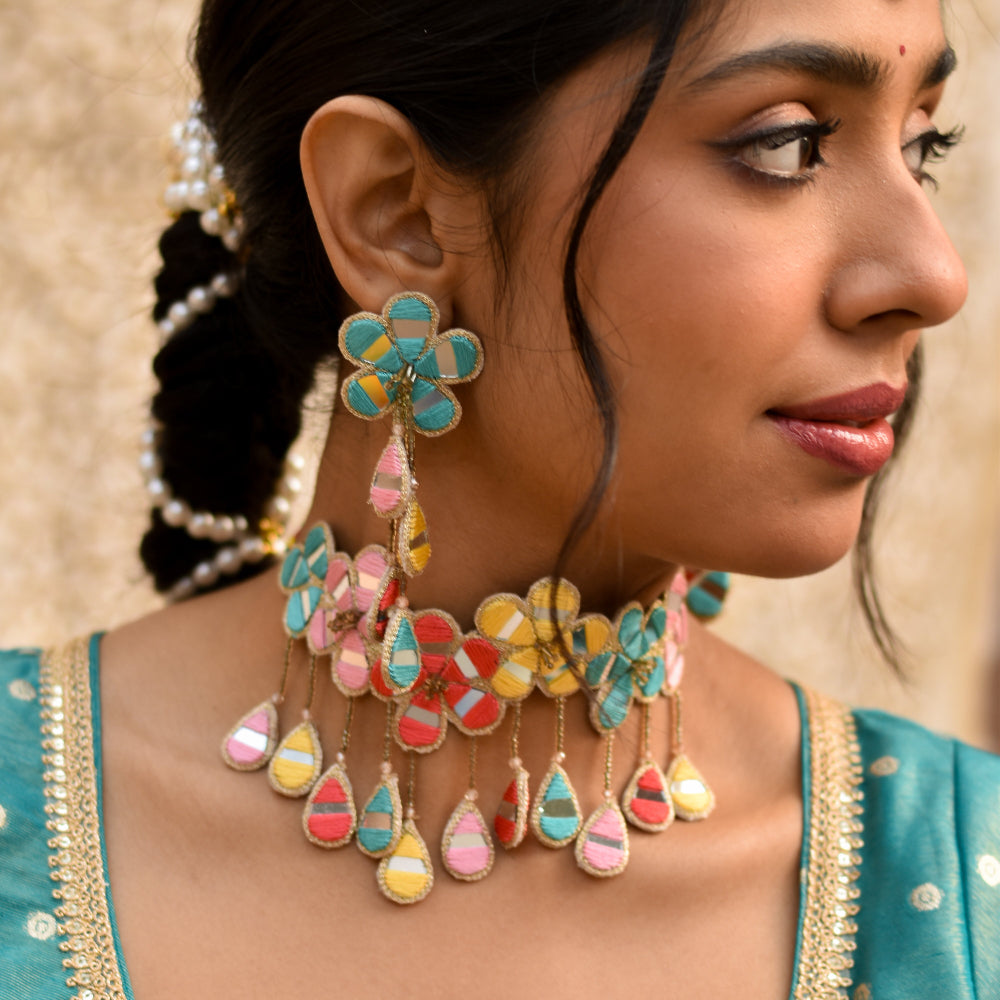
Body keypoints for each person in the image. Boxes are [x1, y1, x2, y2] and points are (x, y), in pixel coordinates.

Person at [1, 0, 998, 997]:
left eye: (923, 147)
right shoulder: (26, 811)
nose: (933, 275)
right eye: (785, 147)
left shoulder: (964, 886)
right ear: (396, 212)